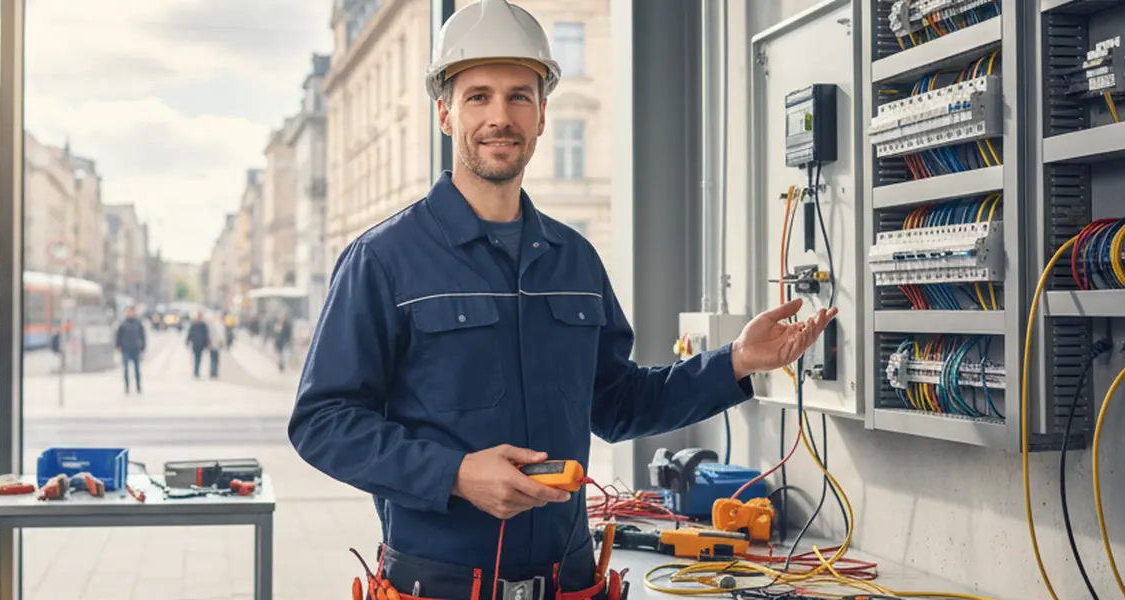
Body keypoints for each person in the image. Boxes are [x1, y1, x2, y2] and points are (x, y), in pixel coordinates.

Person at [287, 1, 837, 597]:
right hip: (439, 584)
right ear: (445, 112)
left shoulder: (573, 260)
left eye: (519, 96)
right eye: (479, 96)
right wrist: (455, 474)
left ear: (543, 114)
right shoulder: (384, 258)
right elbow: (322, 422)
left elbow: (618, 403)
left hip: (570, 579)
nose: (500, 116)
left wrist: (735, 362)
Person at [116, 306, 146, 394]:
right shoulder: (123, 324)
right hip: (126, 348)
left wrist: (143, 346)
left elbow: (142, 335)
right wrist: (118, 346)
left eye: (131, 312)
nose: (129, 313)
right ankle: (127, 387)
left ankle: (138, 386)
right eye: (128, 312)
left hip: (136, 348)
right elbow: (119, 336)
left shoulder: (138, 323)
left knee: (137, 369)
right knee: (126, 369)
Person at [186, 312, 212, 378]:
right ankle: (196, 371)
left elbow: (206, 335)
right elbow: (190, 333)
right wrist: (188, 341)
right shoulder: (194, 325)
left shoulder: (203, 325)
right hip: (195, 344)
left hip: (201, 344)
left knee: (199, 358)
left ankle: (197, 371)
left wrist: (207, 343)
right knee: (196, 358)